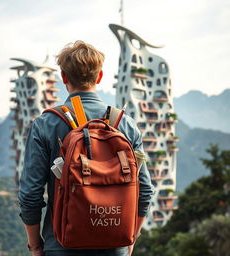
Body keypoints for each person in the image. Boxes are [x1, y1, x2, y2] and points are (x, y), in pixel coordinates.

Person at [18, 41, 154, 256]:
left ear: (63, 78)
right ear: (99, 77)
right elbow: (144, 192)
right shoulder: (124, 124)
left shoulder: (45, 124)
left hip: (61, 246)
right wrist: (128, 245)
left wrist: (35, 246)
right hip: (114, 247)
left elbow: (30, 195)